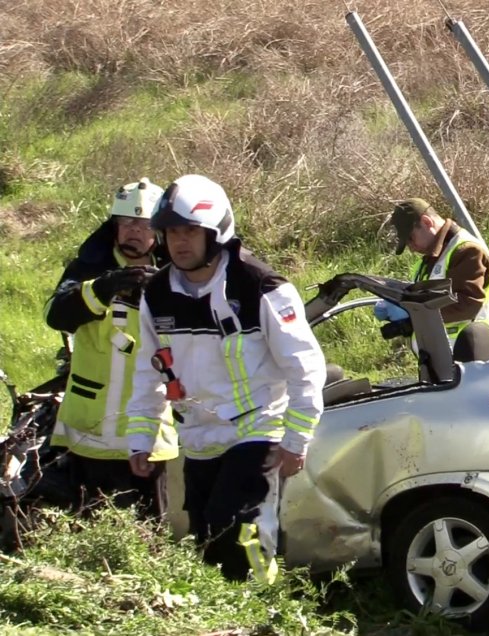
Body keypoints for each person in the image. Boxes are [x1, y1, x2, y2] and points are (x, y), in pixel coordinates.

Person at [125, 174, 326, 583]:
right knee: (208, 542)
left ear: (215, 232)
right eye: (172, 232)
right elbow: (148, 371)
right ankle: (228, 611)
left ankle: (261, 607)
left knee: (238, 529)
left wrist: (296, 439)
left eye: (190, 231)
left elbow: (304, 366)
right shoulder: (156, 295)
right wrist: (140, 437)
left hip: (257, 429)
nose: (180, 242)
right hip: (199, 437)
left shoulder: (260, 286)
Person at [45, 178, 178, 517]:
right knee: (88, 526)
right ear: (114, 226)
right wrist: (101, 290)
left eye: (144, 224)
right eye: (127, 222)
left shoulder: (175, 274)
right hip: (89, 433)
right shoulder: (89, 268)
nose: (135, 231)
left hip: (148, 433)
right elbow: (55, 315)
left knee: (148, 532)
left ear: (158, 231)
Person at [378, 199, 489, 349]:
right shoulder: (431, 258)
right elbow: (426, 299)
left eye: (411, 239)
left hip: (467, 352)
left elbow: (466, 305)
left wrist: (412, 314)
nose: (412, 249)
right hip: (441, 355)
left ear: (427, 222)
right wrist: (398, 302)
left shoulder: (467, 251)